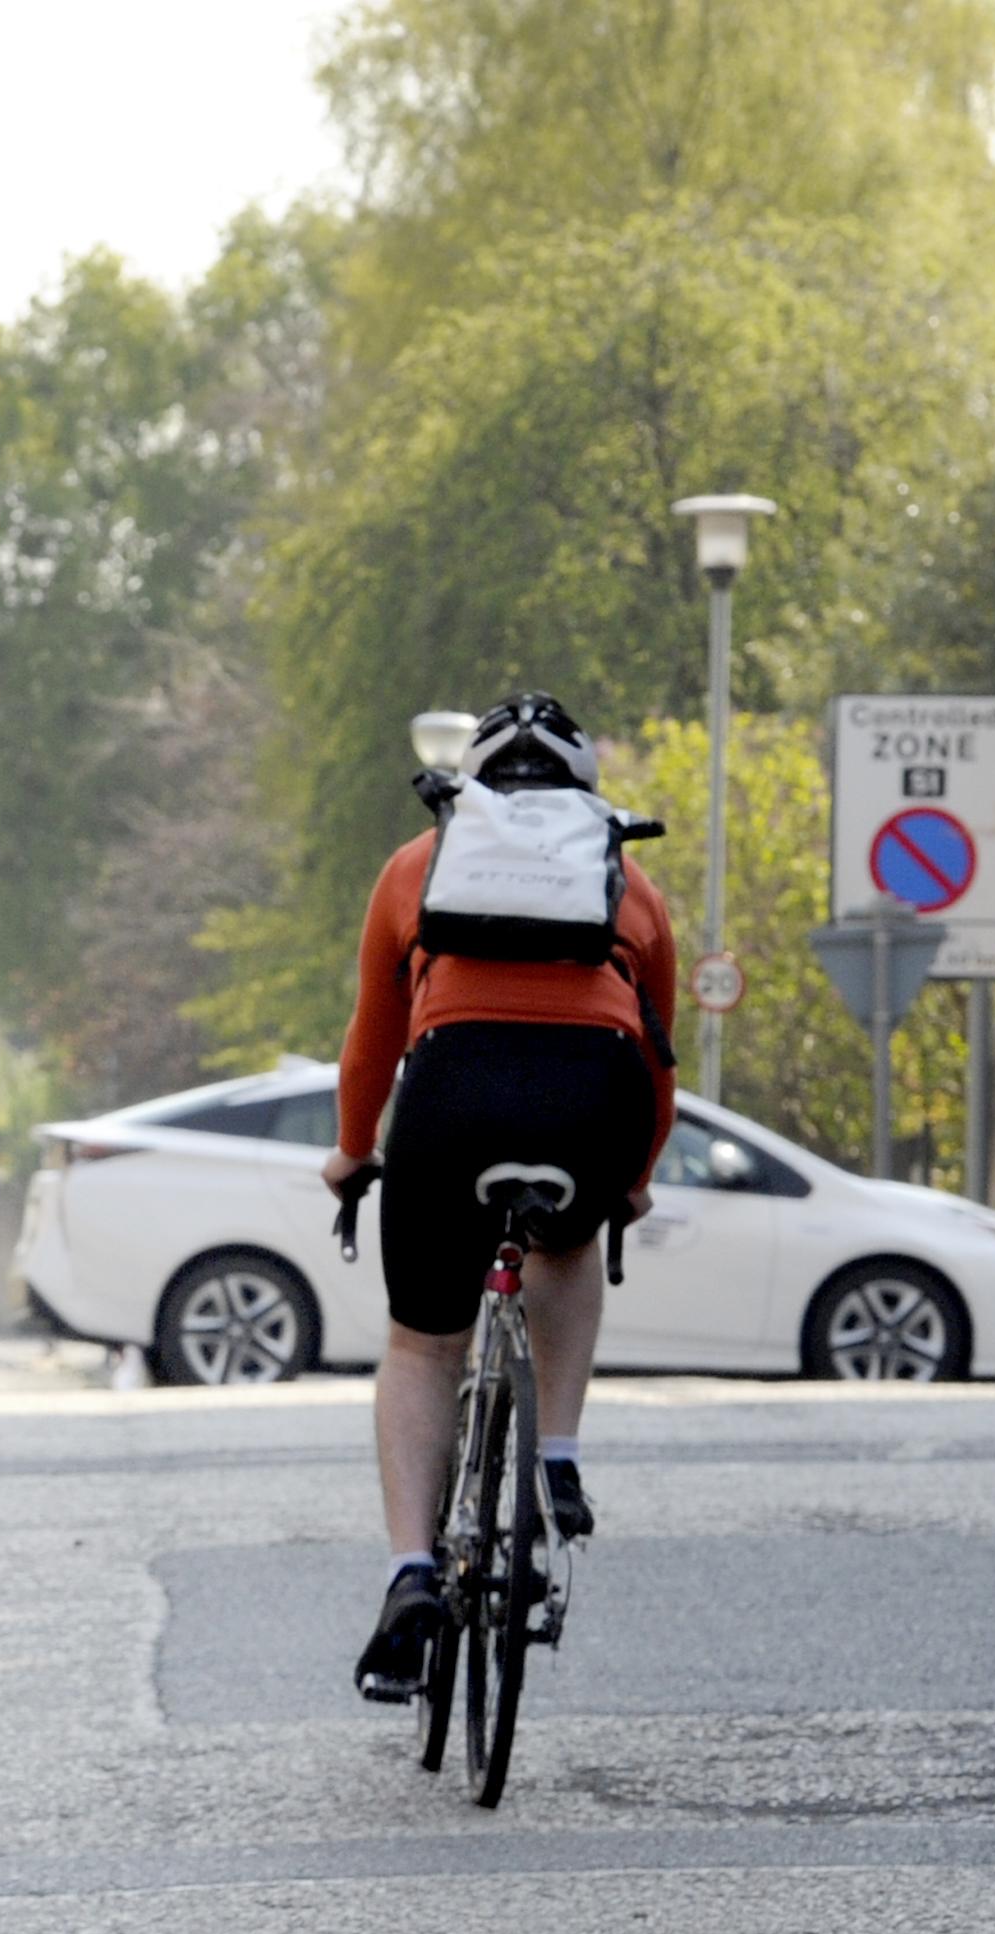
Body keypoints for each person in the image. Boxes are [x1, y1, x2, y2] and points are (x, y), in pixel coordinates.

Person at [328, 691, 674, 1703]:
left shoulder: (415, 866)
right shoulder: (629, 879)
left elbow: (371, 1041)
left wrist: (352, 1154)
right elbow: (657, 1062)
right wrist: (634, 1180)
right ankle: (557, 1452)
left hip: (450, 1100)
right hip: (593, 1101)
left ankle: (409, 1578)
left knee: (420, 1345)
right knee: (568, 1243)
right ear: (583, 787)